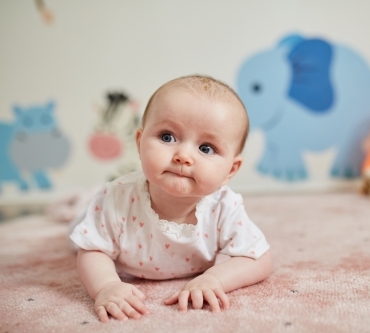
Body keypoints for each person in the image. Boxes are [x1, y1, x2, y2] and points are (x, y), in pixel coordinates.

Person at [69, 75, 272, 322]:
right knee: (78, 233)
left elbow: (258, 257)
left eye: (206, 148)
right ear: (140, 141)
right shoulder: (117, 198)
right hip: (108, 216)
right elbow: (92, 249)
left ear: (230, 170)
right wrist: (106, 286)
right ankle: (83, 203)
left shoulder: (224, 206)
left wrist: (214, 279)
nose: (183, 155)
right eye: (167, 137)